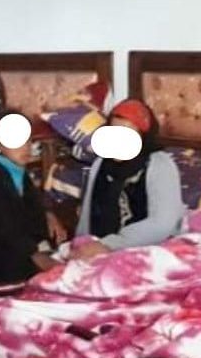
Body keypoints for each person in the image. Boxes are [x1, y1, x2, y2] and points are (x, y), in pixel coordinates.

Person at [0, 111, 67, 317]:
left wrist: (48, 215)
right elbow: (5, 226)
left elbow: (30, 205)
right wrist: (37, 257)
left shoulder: (13, 168)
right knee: (35, 283)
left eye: (28, 141)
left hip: (11, 241)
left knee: (56, 272)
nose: (26, 147)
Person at [71, 99, 186, 259]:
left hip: (150, 250)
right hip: (100, 248)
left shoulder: (159, 165)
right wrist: (80, 244)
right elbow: (87, 215)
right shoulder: (100, 164)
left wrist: (110, 244)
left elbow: (162, 224)